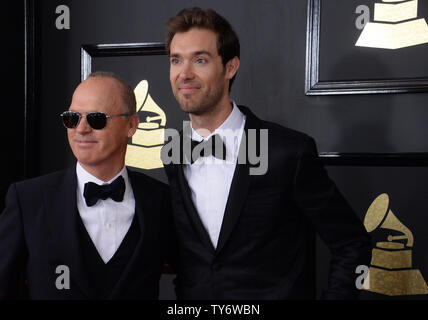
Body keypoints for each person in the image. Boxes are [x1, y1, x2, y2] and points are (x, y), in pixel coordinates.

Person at [162, 7, 372, 299]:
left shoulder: (288, 152)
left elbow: (351, 243)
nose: (184, 74)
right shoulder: (174, 153)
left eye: (200, 60)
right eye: (176, 60)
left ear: (231, 67)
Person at [0, 72, 174, 299]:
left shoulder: (160, 201)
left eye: (96, 118)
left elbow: (195, 277)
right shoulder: (27, 200)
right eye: (72, 118)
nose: (81, 129)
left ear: (131, 125)